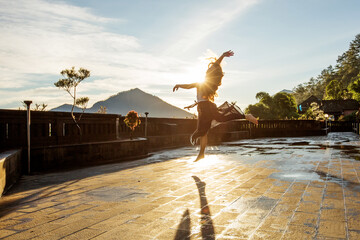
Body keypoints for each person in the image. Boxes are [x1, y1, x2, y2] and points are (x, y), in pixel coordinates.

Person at [173, 50, 258, 161]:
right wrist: (193, 105)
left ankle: (246, 116)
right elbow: (201, 98)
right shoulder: (206, 84)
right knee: (205, 131)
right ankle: (201, 153)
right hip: (205, 107)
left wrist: (179, 84)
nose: (208, 70)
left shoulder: (203, 83)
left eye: (210, 70)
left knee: (203, 129)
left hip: (206, 108)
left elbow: (190, 86)